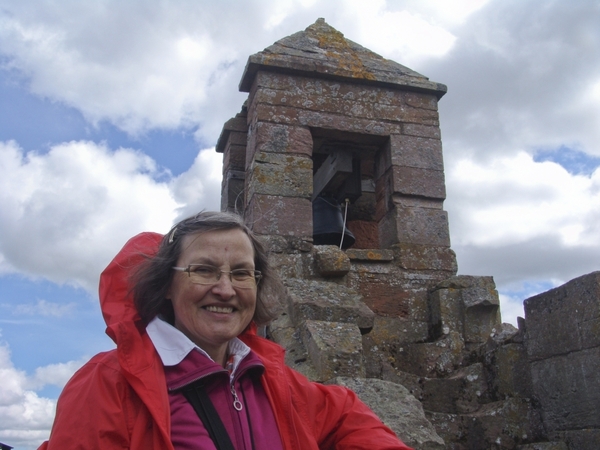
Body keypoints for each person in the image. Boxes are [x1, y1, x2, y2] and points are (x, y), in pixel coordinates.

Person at [39, 211, 413, 450]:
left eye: (240, 273)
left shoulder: (270, 378)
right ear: (167, 285)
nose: (225, 288)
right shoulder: (109, 384)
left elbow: (345, 414)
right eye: (203, 270)